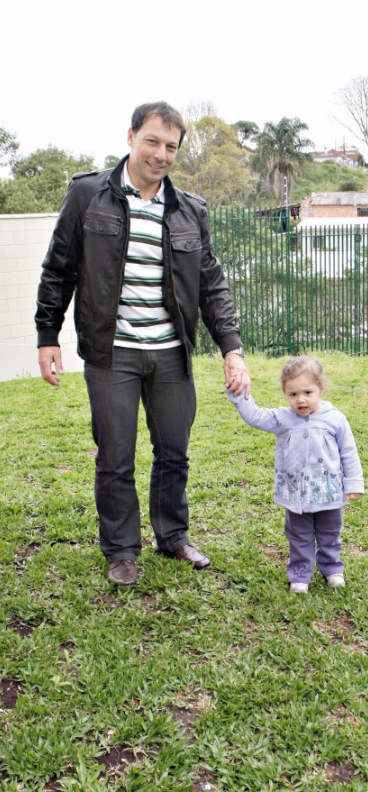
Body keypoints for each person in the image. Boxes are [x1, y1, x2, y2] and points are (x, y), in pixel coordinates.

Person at [35, 101, 250, 587]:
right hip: (112, 353)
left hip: (172, 353)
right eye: (152, 141)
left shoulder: (189, 210)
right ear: (131, 136)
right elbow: (59, 268)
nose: (161, 154)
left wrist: (230, 347)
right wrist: (48, 334)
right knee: (115, 456)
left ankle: (172, 535)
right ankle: (121, 551)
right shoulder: (88, 195)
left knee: (174, 451)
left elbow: (211, 284)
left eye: (171, 146)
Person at [228, 356, 363, 593]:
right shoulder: (283, 418)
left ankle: (332, 568)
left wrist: (353, 484)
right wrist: (240, 396)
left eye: (308, 392)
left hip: (328, 493)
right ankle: (300, 573)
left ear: (322, 388)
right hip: (296, 494)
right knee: (298, 535)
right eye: (293, 394)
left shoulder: (335, 419)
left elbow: (349, 453)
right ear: (286, 394)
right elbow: (256, 417)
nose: (300, 399)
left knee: (329, 533)